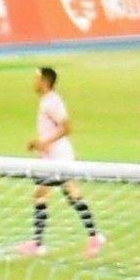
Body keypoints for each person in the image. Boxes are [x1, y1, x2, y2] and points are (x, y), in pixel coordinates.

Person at [25, 66, 105, 258]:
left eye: (36, 79)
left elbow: (67, 127)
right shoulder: (47, 101)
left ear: (44, 82)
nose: (33, 82)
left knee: (43, 195)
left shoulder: (52, 102)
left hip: (58, 158)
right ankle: (93, 235)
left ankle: (39, 244)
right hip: (54, 156)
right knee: (68, 194)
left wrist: (44, 142)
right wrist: (40, 144)